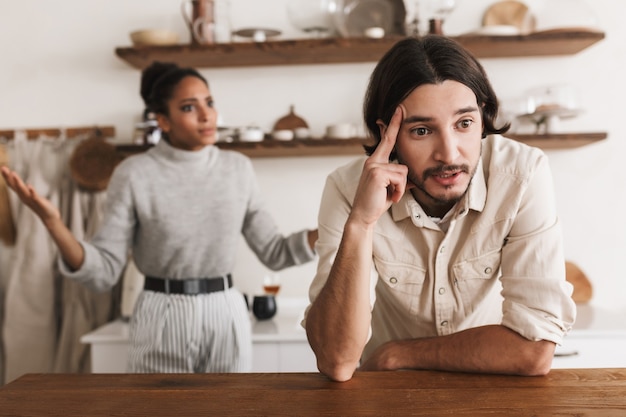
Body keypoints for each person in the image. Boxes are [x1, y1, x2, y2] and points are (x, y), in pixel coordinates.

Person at [1, 61, 318, 373]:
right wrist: (54, 223)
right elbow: (104, 270)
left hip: (226, 310)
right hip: (160, 311)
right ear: (163, 121)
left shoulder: (237, 168)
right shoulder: (134, 173)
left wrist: (338, 227)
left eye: (209, 102)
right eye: (189, 107)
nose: (207, 114)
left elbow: (275, 252)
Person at [303, 35, 576, 382]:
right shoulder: (347, 190)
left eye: (464, 124)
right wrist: (361, 223)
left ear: (482, 118)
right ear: (389, 136)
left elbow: (534, 351)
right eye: (421, 130)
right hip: (390, 397)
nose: (449, 153)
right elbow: (337, 361)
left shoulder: (521, 175)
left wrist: (398, 354)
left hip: (492, 390)